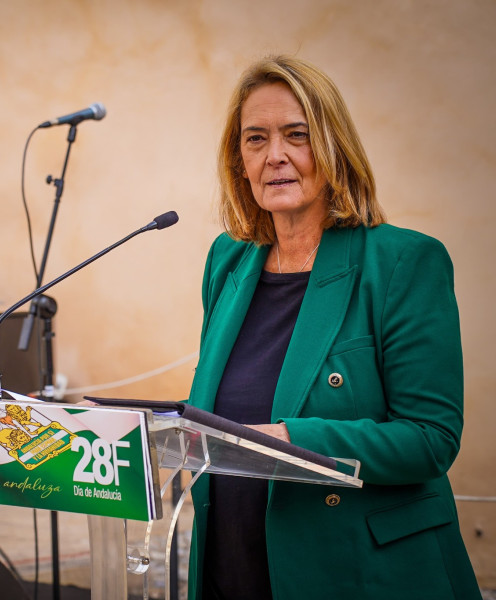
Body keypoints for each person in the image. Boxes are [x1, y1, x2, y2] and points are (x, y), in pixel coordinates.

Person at [186, 55, 480, 600]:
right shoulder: (226, 261)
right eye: (255, 139)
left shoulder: (403, 262)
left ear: (333, 148)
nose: (275, 156)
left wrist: (292, 441)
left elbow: (431, 439)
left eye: (296, 135)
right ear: (239, 161)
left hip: (357, 574)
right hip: (232, 566)